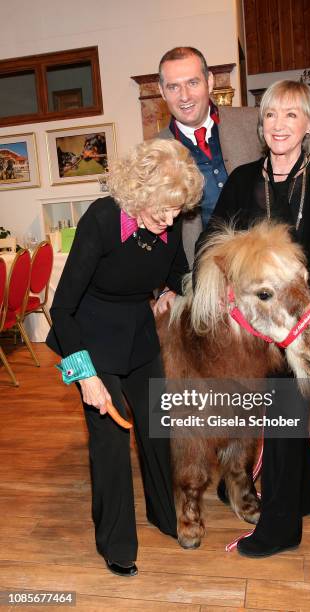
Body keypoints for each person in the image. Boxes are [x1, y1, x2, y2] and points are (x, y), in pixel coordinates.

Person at [195, 80, 310, 557]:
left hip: (300, 326)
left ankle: (279, 530)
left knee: (286, 419)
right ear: (261, 124)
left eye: (292, 116)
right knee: (282, 416)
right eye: (271, 115)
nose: (279, 125)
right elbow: (213, 241)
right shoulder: (244, 179)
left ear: (309, 126)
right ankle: (304, 494)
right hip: (254, 328)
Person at [46, 139, 204, 576]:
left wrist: (172, 292)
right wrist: (85, 377)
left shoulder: (167, 224)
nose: (170, 221)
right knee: (110, 441)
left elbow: (174, 273)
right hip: (90, 334)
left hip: (137, 333)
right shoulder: (101, 220)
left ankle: (165, 515)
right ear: (139, 194)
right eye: (162, 211)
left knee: (157, 426)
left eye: (177, 211)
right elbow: (61, 310)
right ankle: (115, 543)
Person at [157, 46, 260, 266]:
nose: (185, 96)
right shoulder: (154, 153)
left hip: (264, 266)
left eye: (193, 83)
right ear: (162, 91)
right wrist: (165, 287)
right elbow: (152, 232)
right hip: (202, 276)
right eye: (173, 87)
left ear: (209, 82)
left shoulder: (255, 122)